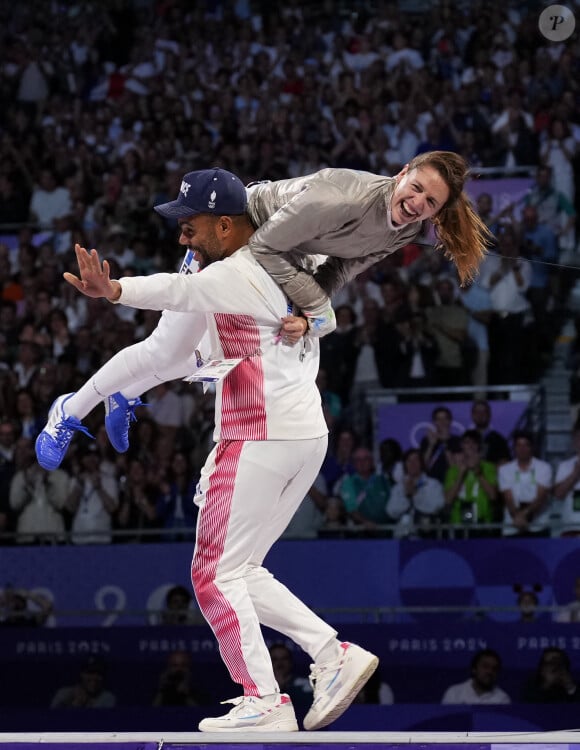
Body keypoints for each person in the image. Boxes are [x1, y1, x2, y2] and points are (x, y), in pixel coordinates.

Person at [61, 183, 379, 733]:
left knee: (210, 576)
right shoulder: (285, 257)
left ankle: (265, 698)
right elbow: (334, 257)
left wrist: (113, 290)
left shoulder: (234, 270)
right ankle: (332, 654)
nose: (183, 235)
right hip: (304, 433)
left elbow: (172, 297)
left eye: (193, 224)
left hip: (256, 433)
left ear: (227, 224)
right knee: (242, 570)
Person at [36, 154, 491, 469]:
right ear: (403, 172)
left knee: (184, 358)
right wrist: (313, 307)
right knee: (165, 350)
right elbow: (266, 245)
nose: (417, 205)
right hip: (236, 238)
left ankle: (122, 393)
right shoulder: (340, 196)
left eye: (430, 204)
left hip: (284, 257)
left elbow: (342, 268)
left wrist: (311, 311)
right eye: (416, 190)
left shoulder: (405, 232)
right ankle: (69, 411)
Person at [441, 649, 511, 705]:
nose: (490, 672)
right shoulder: (454, 693)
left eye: (494, 669)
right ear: (474, 669)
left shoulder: (503, 699)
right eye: (485, 666)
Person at [50, 656, 117, 708]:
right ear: (81, 674)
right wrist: (71, 703)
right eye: (90, 672)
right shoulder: (63, 692)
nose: (94, 677)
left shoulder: (108, 697)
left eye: (99, 673)